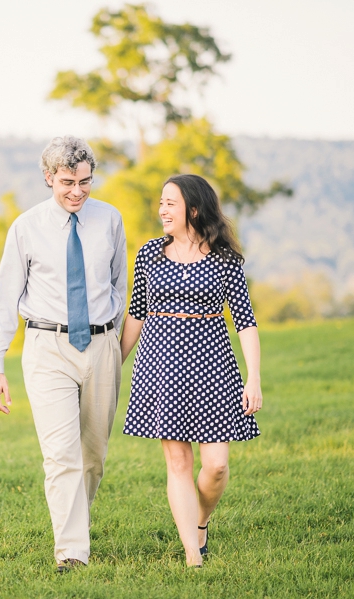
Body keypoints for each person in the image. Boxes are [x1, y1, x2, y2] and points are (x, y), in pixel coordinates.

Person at [0, 136, 127, 573]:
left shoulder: (110, 220)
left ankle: (75, 523)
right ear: (48, 178)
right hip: (47, 347)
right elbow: (5, 298)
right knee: (61, 454)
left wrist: (113, 341)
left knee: (93, 455)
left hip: (102, 346)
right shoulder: (25, 228)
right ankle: (72, 552)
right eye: (68, 182)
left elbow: (120, 284)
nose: (78, 192)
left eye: (86, 182)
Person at [119, 173, 262, 568]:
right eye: (161, 202)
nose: (161, 210)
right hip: (160, 365)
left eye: (170, 203)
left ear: (193, 210)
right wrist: (114, 363)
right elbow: (136, 313)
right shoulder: (149, 253)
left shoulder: (225, 260)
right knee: (178, 464)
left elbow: (245, 321)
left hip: (213, 365)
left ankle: (200, 522)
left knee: (216, 466)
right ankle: (192, 556)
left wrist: (254, 376)